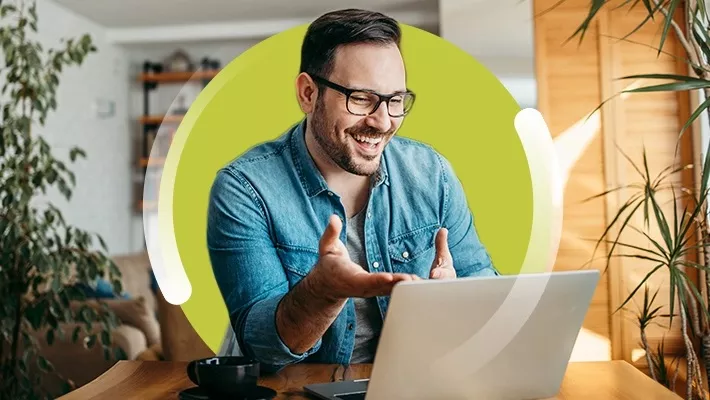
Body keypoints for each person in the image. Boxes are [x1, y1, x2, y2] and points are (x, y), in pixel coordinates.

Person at [206, 8, 498, 373]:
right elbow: (262, 350)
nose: (383, 121)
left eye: (395, 100)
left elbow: (489, 297)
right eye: (361, 98)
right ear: (308, 93)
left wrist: (455, 303)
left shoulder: (431, 174)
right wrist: (322, 294)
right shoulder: (245, 190)